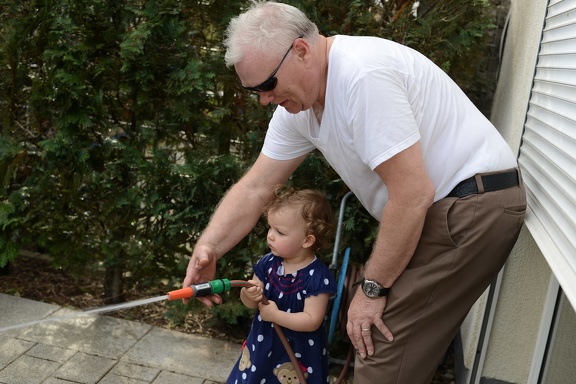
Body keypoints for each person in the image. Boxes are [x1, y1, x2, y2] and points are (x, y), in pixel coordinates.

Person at [183, 1, 527, 383]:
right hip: (447, 207)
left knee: (379, 354)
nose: (264, 99)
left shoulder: (361, 76)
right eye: (254, 91)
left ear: (300, 51)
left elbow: (412, 194)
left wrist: (372, 288)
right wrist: (209, 247)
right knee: (379, 348)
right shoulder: (299, 108)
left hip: (470, 207)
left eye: (267, 84)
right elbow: (257, 187)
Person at [227, 187, 336, 384]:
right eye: (270, 228)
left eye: (280, 232)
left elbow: (312, 320)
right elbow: (251, 303)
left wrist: (277, 316)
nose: (270, 235)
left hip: (297, 353)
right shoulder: (268, 263)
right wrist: (248, 294)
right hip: (262, 344)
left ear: (307, 240)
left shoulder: (317, 277)